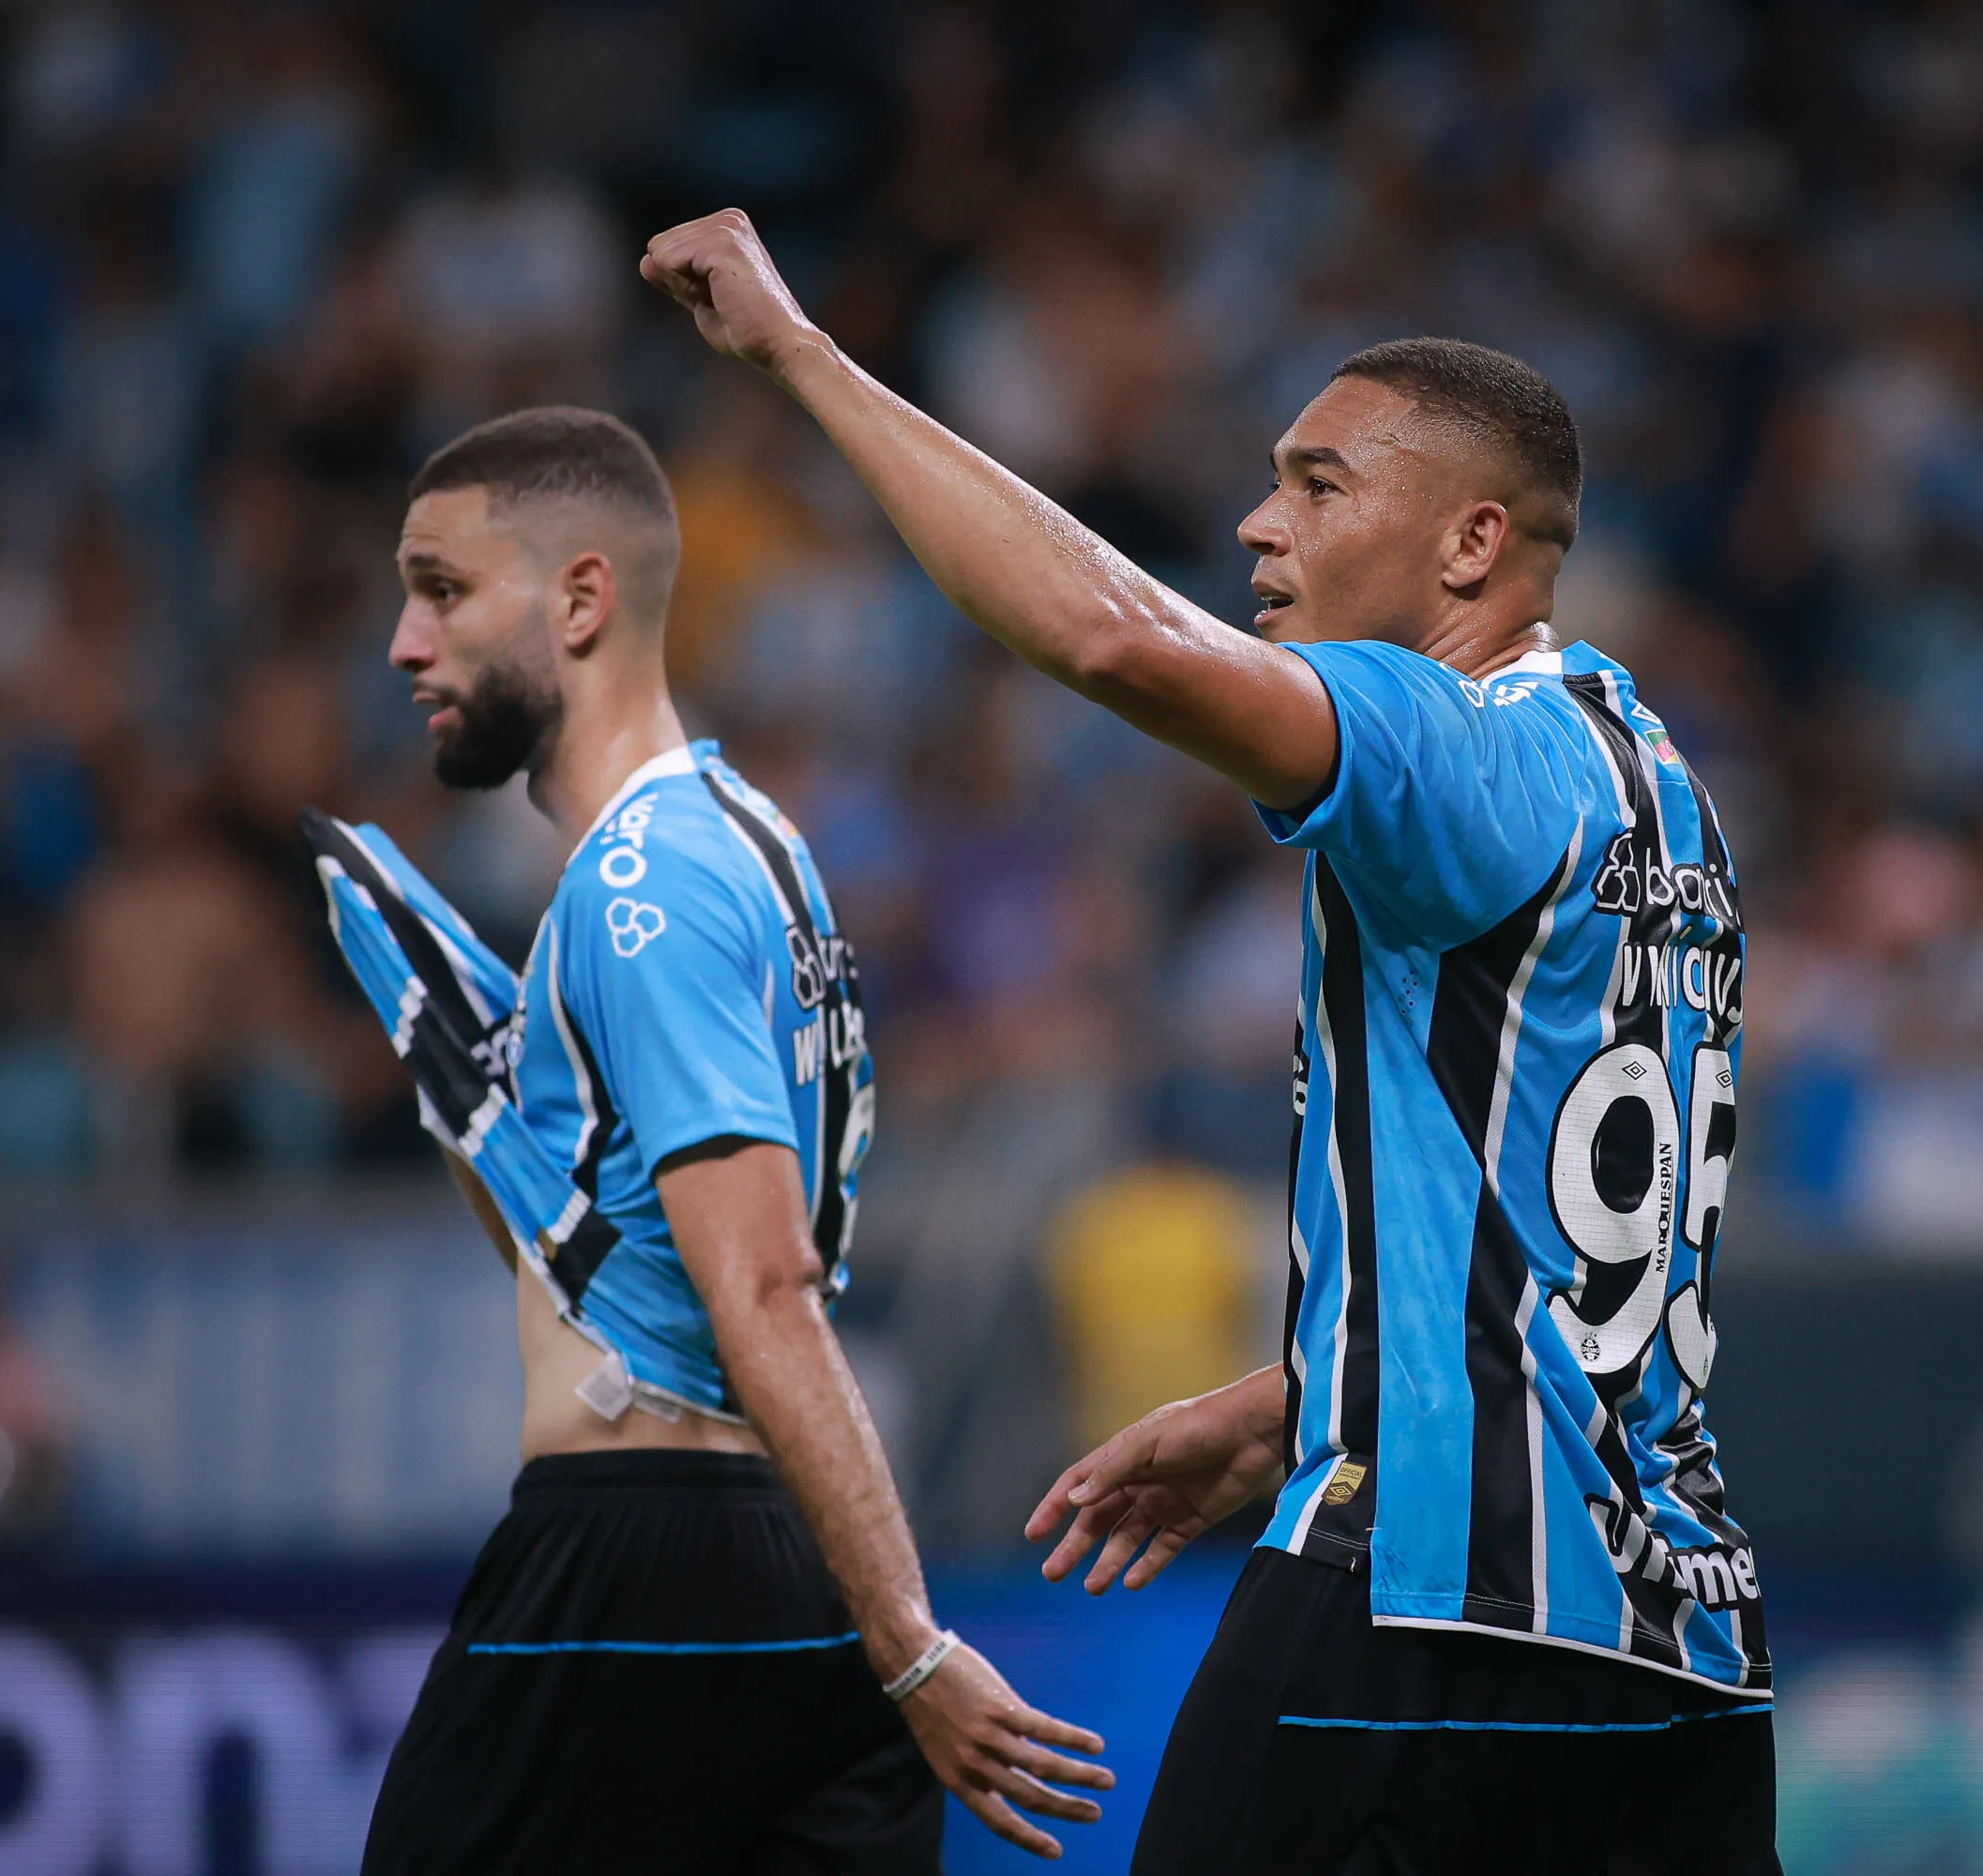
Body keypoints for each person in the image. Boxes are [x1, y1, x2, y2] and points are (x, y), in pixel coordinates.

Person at [643, 215, 1779, 1874]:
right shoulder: (1659, 783)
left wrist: (799, 356)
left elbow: (1116, 642)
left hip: (1422, 1606)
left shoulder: (1448, 742)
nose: (1259, 526)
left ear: (1472, 544)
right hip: (1675, 1643)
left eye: (1320, 486)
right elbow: (1559, 1236)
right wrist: (1295, 1398)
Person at [349, 406, 1111, 1870]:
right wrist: (501, 1143)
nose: (403, 643)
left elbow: (759, 1282)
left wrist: (911, 1645)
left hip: (634, 1546)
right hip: (785, 1539)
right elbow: (653, 1245)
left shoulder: (644, 887)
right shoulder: (753, 844)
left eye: (442, 588)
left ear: (580, 598)